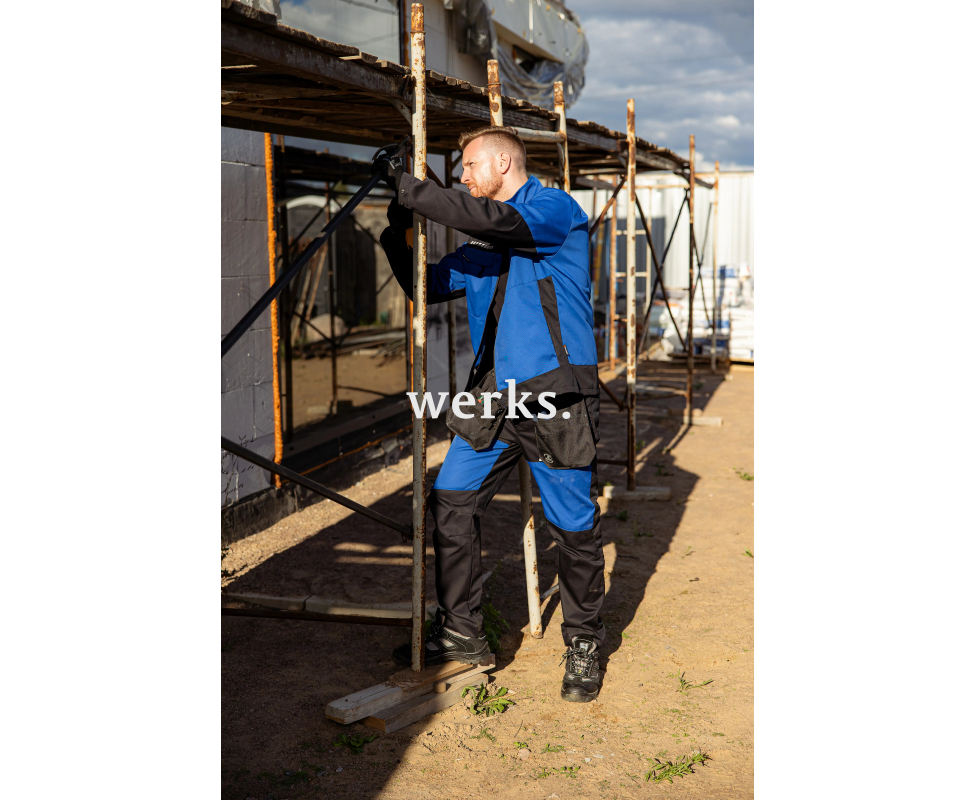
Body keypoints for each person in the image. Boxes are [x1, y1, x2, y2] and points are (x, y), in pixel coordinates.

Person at [374, 126, 605, 703]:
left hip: (555, 392)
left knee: (572, 524)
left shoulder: (552, 209)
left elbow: (498, 221)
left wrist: (413, 188)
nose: (463, 176)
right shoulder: (483, 237)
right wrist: (399, 226)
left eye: (470, 165)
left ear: (503, 162)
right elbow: (427, 285)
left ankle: (583, 641)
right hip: (491, 396)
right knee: (451, 498)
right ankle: (462, 630)